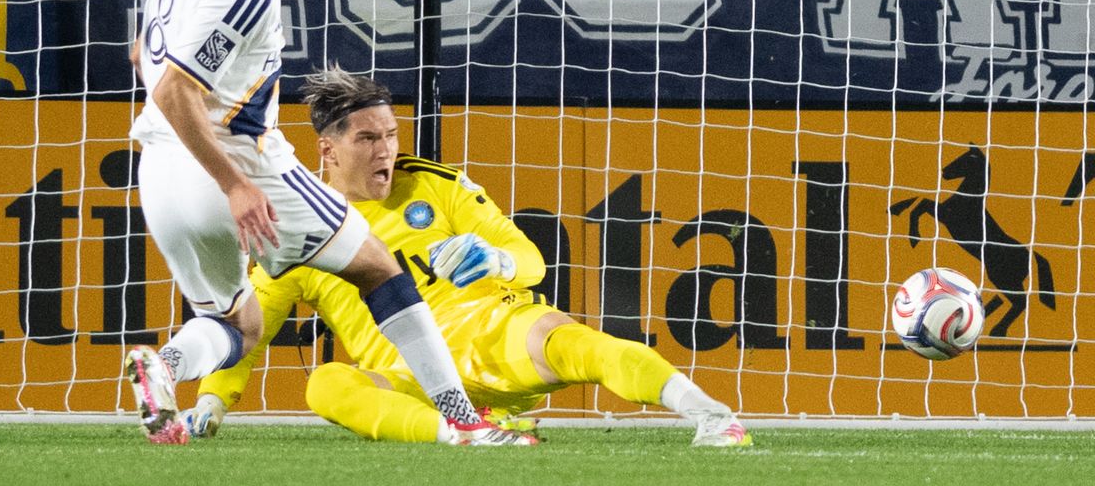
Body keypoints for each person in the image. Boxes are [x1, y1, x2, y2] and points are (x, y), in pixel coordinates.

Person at [126, 0, 532, 446]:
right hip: (236, 164)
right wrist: (236, 185)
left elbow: (144, 53)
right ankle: (464, 420)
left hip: (159, 175)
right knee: (379, 267)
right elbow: (174, 88)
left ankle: (163, 367)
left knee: (239, 322)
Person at [186, 66, 751, 447]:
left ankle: (710, 415)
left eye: (391, 133)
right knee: (326, 386)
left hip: (495, 333)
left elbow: (529, 258)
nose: (387, 149)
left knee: (577, 340)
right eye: (368, 139)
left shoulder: (438, 186)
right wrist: (212, 404)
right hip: (410, 378)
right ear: (327, 150)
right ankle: (465, 432)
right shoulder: (300, 227)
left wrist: (497, 261)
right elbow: (250, 325)